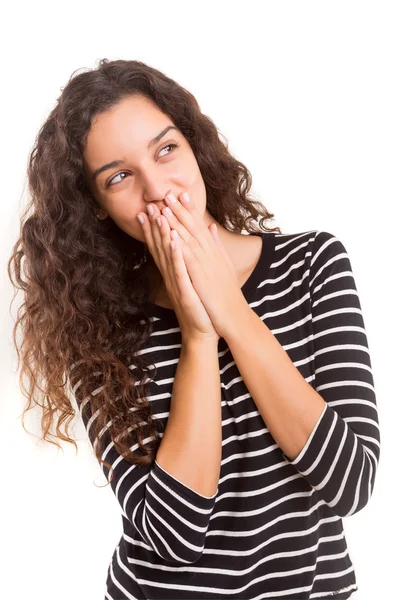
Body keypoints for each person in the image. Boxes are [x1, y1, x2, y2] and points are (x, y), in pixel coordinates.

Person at [8, 58, 380, 600]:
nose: (157, 188)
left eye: (166, 149)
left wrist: (230, 311)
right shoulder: (94, 324)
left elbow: (349, 483)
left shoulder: (313, 264)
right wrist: (199, 337)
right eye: (119, 176)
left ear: (194, 145)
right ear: (96, 209)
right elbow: (174, 535)